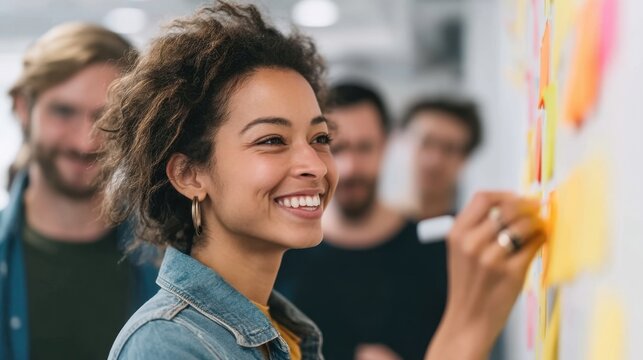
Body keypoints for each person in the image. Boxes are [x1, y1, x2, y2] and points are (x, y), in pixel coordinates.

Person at [99, 2, 546, 359]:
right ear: (189, 174)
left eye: (320, 137)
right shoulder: (169, 344)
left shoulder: (286, 333)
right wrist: (466, 327)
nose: (315, 163)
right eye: (272, 140)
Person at [0, 23, 158, 360]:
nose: (85, 141)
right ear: (23, 108)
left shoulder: (170, 263)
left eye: (107, 117)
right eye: (63, 112)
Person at [275, 83, 447, 360]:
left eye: (365, 147)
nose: (351, 167)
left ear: (386, 144)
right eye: (336, 148)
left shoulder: (433, 252)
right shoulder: (281, 258)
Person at [401, 98, 483, 220]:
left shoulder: (471, 233)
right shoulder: (369, 231)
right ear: (401, 143)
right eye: (426, 142)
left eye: (449, 149)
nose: (435, 160)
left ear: (465, 159)